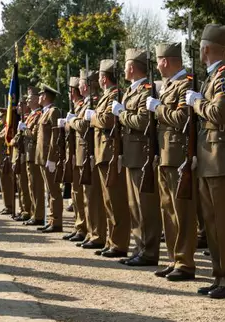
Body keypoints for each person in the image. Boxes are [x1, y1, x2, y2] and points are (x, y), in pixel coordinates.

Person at [186, 24, 225, 299]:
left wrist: (197, 103)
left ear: (207, 49)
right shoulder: (212, 77)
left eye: (200, 47)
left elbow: (220, 114)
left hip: (222, 156)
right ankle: (220, 276)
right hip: (210, 156)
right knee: (211, 222)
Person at [145, 42, 195, 281]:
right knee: (169, 211)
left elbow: (181, 117)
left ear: (165, 61)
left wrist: (158, 108)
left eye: (158, 61)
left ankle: (185, 261)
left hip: (177, 155)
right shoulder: (168, 86)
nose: (157, 66)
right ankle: (174, 257)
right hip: (165, 155)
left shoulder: (186, 84)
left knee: (181, 211)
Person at [112, 49, 161, 267]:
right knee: (134, 205)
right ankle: (139, 247)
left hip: (142, 154)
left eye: (125, 65)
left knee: (145, 206)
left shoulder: (146, 90)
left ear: (132, 67)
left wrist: (121, 114)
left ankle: (149, 251)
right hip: (131, 154)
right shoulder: (131, 91)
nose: (123, 69)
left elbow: (142, 122)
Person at [87, 59, 130, 258]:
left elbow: (108, 119)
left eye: (99, 76)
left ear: (104, 78)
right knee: (108, 201)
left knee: (115, 201)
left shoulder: (115, 95)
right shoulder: (106, 96)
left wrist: (92, 117)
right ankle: (112, 240)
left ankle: (119, 242)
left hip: (109, 152)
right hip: (102, 153)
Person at [67, 69, 106, 250]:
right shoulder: (85, 104)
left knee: (93, 197)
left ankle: (97, 233)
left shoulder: (93, 102)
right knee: (85, 196)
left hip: (90, 152)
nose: (79, 86)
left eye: (82, 83)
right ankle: (90, 231)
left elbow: (83, 125)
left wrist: (72, 121)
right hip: (83, 153)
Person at [59, 76, 86, 242]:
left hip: (81, 152)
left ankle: (84, 227)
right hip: (74, 152)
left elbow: (81, 126)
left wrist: (71, 121)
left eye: (71, 90)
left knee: (83, 194)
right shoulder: (77, 107)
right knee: (76, 193)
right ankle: (79, 226)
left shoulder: (84, 105)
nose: (69, 94)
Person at [35, 84, 62, 233]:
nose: (39, 97)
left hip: (48, 157)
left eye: (40, 95)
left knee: (54, 191)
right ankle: (51, 219)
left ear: (45, 96)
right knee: (49, 191)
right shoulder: (44, 112)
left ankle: (56, 222)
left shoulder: (53, 112)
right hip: (42, 157)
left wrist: (52, 158)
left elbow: (55, 137)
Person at [20, 88, 45, 226]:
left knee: (36, 186)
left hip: (34, 153)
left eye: (30, 97)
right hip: (29, 153)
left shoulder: (38, 115)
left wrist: (25, 129)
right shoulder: (31, 115)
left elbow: (35, 135)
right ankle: (34, 212)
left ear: (36, 99)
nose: (28, 100)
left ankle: (38, 214)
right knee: (31, 185)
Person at [10, 99, 33, 221]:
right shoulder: (23, 120)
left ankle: (28, 211)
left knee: (26, 185)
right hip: (20, 156)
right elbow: (14, 140)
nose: (18, 107)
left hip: (26, 155)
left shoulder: (30, 118)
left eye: (21, 104)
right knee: (21, 185)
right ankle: (23, 209)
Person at [0, 107, 14, 216]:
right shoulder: (4, 127)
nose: (0, 118)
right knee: (3, 185)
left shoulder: (7, 128)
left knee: (7, 184)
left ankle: (9, 206)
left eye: (2, 116)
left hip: (5, 160)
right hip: (0, 159)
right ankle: (7, 205)